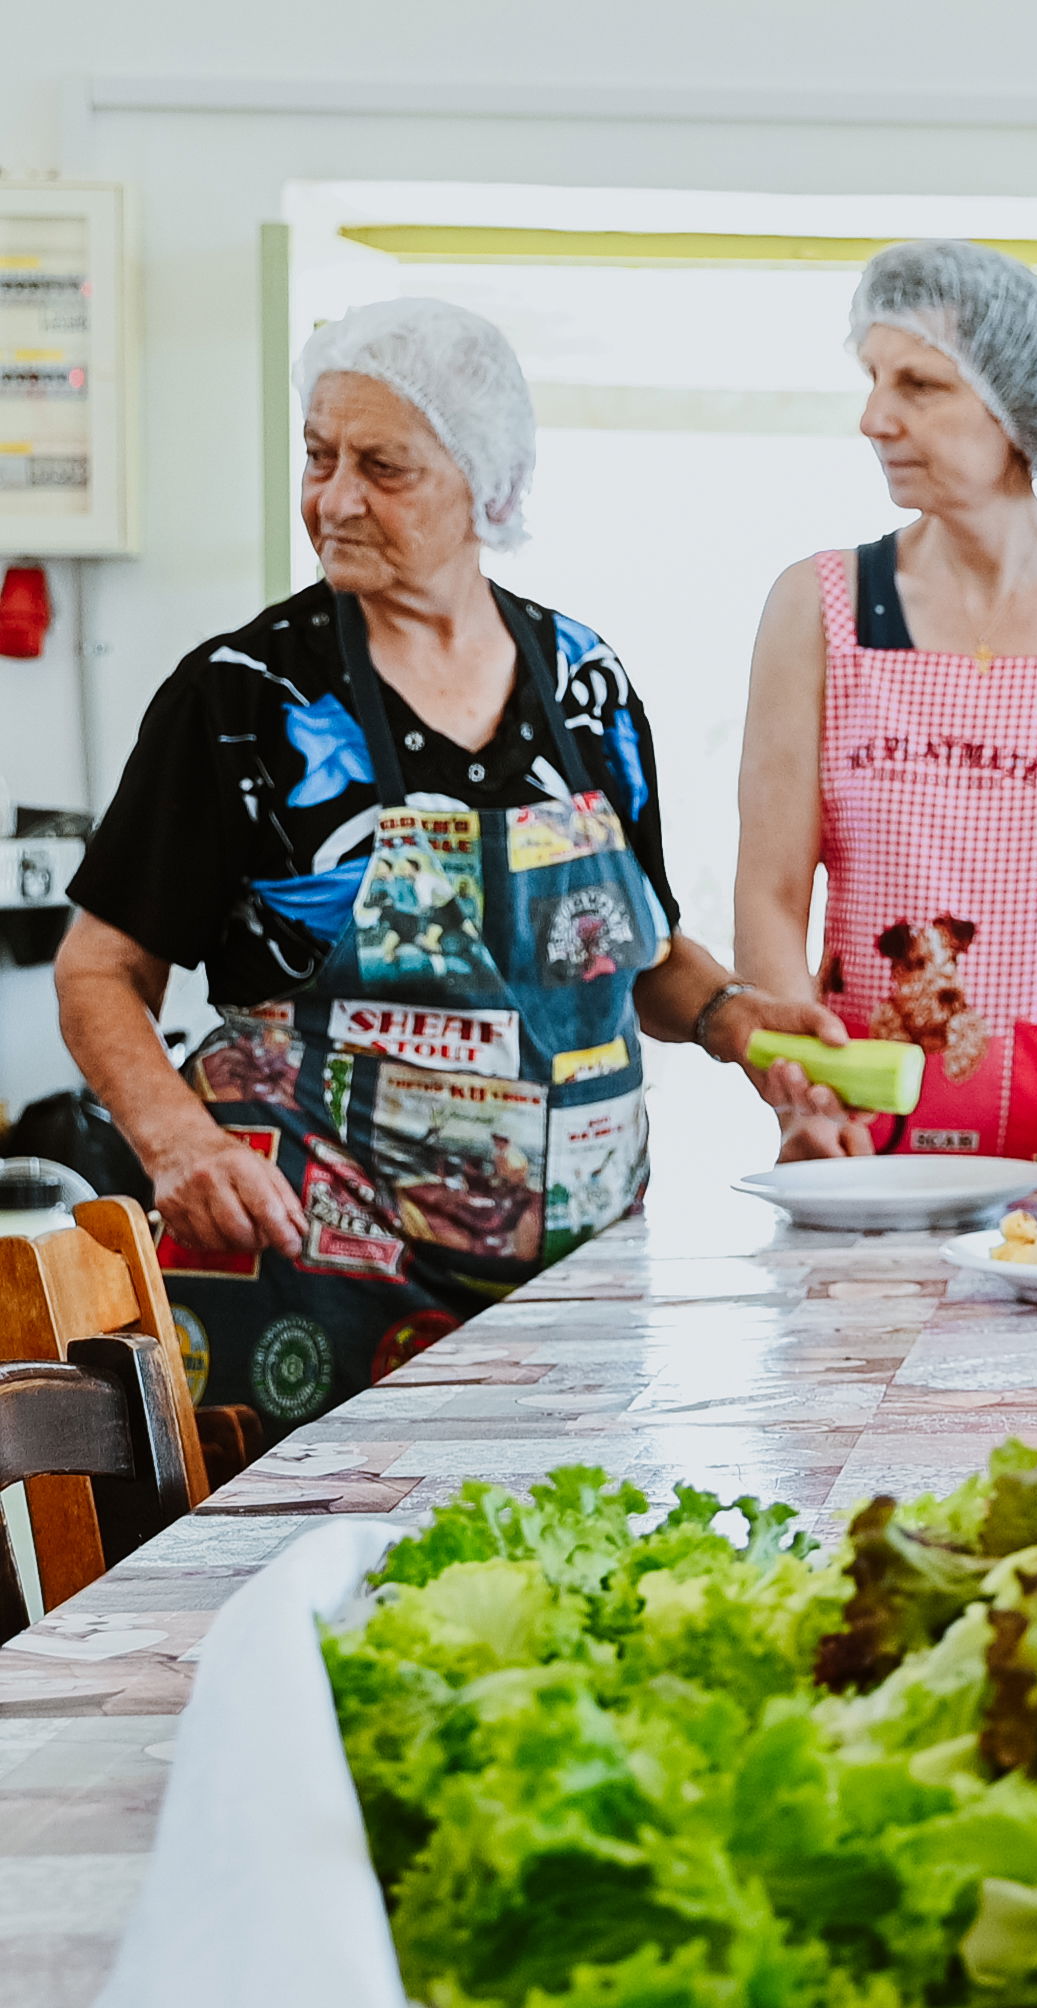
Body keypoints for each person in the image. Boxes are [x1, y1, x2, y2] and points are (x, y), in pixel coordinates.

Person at [52, 299, 838, 1432]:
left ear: (490, 487)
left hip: (574, 1286)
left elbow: (636, 958)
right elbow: (97, 970)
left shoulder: (584, 683)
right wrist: (176, 1140)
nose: (335, 499)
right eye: (319, 457)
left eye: (384, 467)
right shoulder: (242, 699)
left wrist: (732, 1017)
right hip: (313, 1280)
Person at [734, 240, 1037, 1162]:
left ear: (1016, 407)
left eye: (920, 386)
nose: (874, 418)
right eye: (873, 378)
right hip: (867, 1141)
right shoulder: (818, 606)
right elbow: (770, 893)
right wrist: (803, 1101)